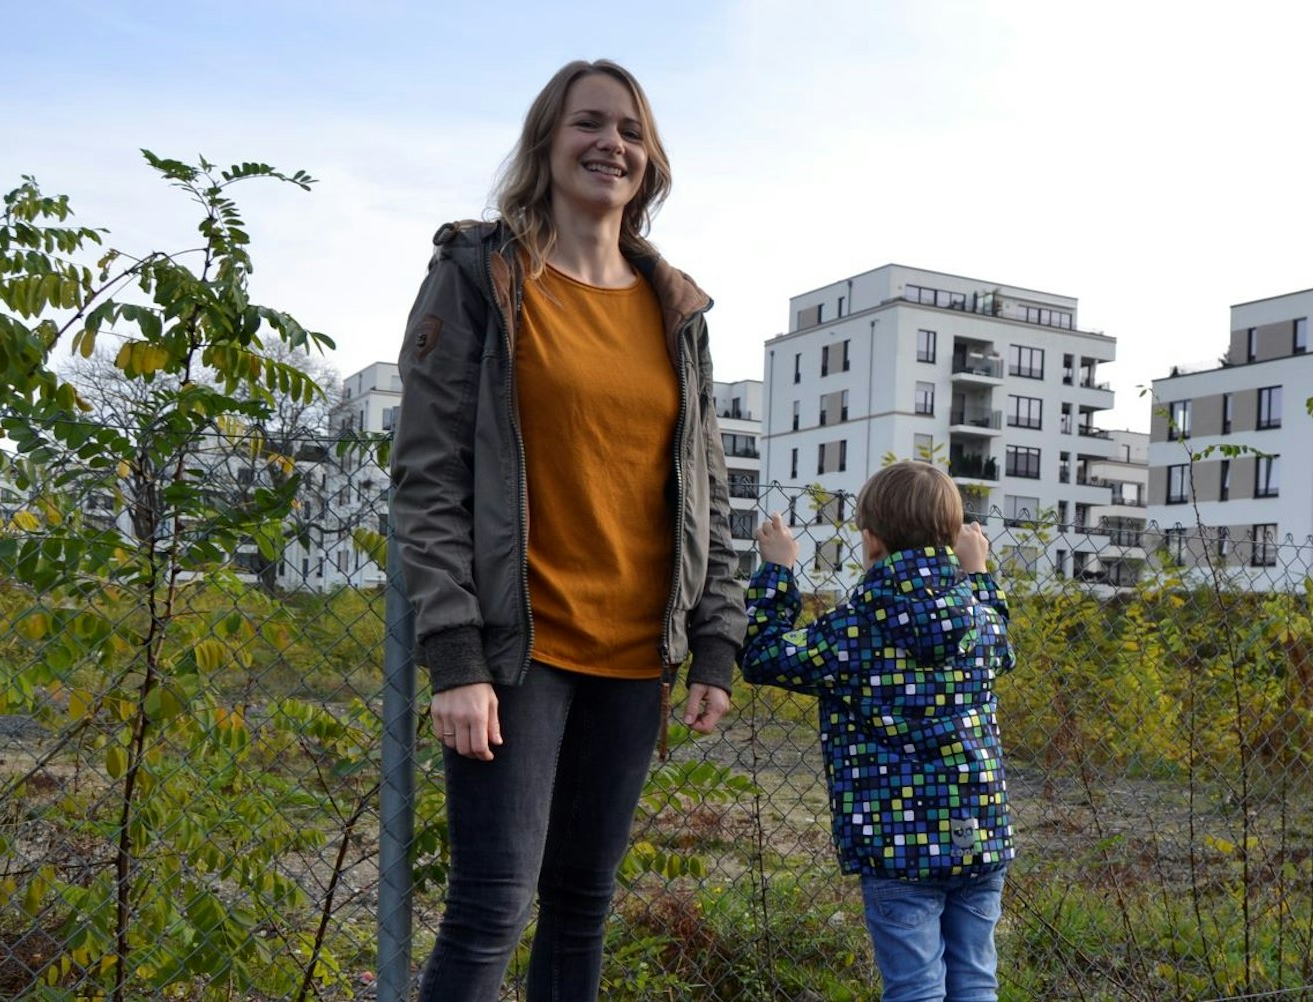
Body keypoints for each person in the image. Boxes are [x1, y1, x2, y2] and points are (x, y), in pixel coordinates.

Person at [388, 58, 744, 1002]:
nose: (611, 145)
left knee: (582, 904)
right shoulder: (482, 278)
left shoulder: (676, 310)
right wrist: (456, 657)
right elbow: (427, 482)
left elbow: (707, 486)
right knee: (491, 909)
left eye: (630, 130)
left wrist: (714, 645)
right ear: (547, 143)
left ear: (651, 159)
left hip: (635, 659)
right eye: (588, 124)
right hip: (519, 653)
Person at [741, 462, 1017, 1002]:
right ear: (953, 536)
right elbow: (1004, 648)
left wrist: (777, 571)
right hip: (979, 833)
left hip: (897, 843)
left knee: (915, 988)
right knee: (977, 979)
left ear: (871, 540)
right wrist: (979, 573)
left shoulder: (854, 629)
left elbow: (764, 655)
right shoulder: (982, 621)